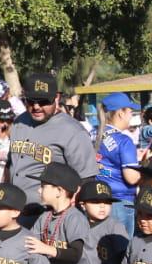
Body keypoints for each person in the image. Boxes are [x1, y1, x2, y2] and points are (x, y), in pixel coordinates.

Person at [7, 72, 97, 207]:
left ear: (56, 98)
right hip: (15, 210)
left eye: (43, 101)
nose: (36, 106)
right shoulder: (19, 122)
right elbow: (11, 165)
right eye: (31, 101)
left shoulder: (73, 131)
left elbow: (86, 179)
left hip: (48, 213)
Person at [95, 93, 142, 236]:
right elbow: (132, 178)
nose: (131, 116)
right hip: (119, 201)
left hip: (95, 199)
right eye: (130, 112)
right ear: (121, 113)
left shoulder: (93, 133)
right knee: (121, 250)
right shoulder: (123, 140)